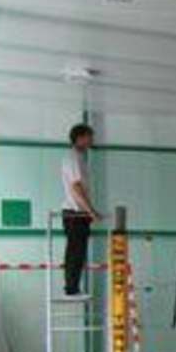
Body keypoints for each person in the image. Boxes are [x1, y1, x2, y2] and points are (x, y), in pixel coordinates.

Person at [60, 122, 101, 297]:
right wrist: (90, 211)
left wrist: (89, 212)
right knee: (75, 252)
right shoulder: (73, 157)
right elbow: (76, 187)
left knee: (79, 251)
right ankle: (71, 288)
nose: (92, 140)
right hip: (74, 212)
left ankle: (73, 287)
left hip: (80, 212)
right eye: (89, 136)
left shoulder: (80, 158)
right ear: (80, 137)